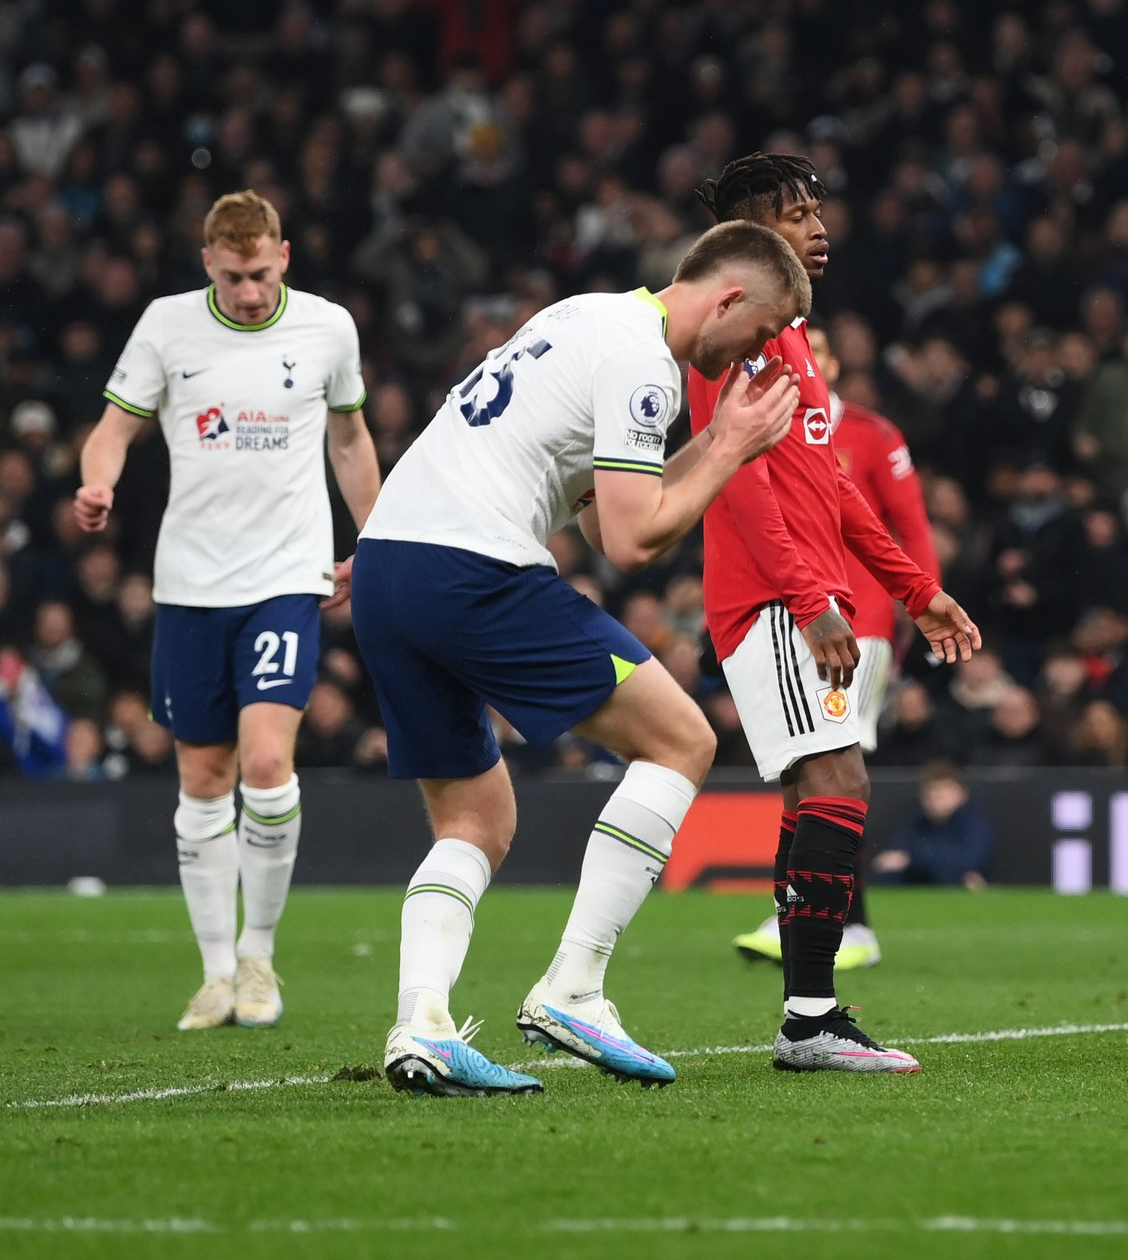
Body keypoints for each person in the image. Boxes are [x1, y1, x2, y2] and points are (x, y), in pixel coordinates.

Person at [350, 220, 806, 1095]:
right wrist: (735, 451)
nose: (757, 352)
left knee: (474, 823)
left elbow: (599, 520)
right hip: (471, 566)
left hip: (388, 566)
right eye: (760, 332)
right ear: (730, 297)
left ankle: (424, 1026)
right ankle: (576, 987)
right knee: (683, 741)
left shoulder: (587, 316)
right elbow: (635, 543)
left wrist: (713, 447)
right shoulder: (645, 365)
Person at [691, 154, 980, 1075]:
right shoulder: (730, 334)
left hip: (813, 596)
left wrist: (913, 589)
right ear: (750, 234)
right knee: (840, 781)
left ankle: (806, 1013)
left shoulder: (791, 343)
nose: (820, 227)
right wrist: (812, 600)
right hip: (775, 597)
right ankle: (810, 1020)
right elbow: (734, 481)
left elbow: (834, 488)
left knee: (816, 791)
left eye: (819, 210)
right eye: (797, 213)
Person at [73, 191, 382, 1032]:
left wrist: (376, 537)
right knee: (203, 778)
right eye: (234, 276)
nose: (249, 292)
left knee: (267, 760)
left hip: (285, 575)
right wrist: (97, 479)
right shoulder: (167, 326)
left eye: (261, 273)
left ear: (284, 254)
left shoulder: (327, 327)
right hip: (189, 585)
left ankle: (258, 955)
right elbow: (111, 429)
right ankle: (214, 974)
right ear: (209, 262)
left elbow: (349, 440)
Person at [733, 325, 939, 971]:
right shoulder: (774, 422)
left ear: (832, 364)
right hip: (804, 610)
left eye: (819, 352)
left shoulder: (873, 436)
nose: (808, 360)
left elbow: (911, 525)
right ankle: (822, 914)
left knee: (834, 766)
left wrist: (919, 600)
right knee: (815, 765)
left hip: (863, 619)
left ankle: (851, 924)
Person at [872, 762, 993, 889]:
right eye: (930, 794)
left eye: (942, 794)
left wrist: (914, 859)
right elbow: (895, 856)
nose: (935, 799)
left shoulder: (973, 824)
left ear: (961, 793)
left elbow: (969, 863)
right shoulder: (917, 823)